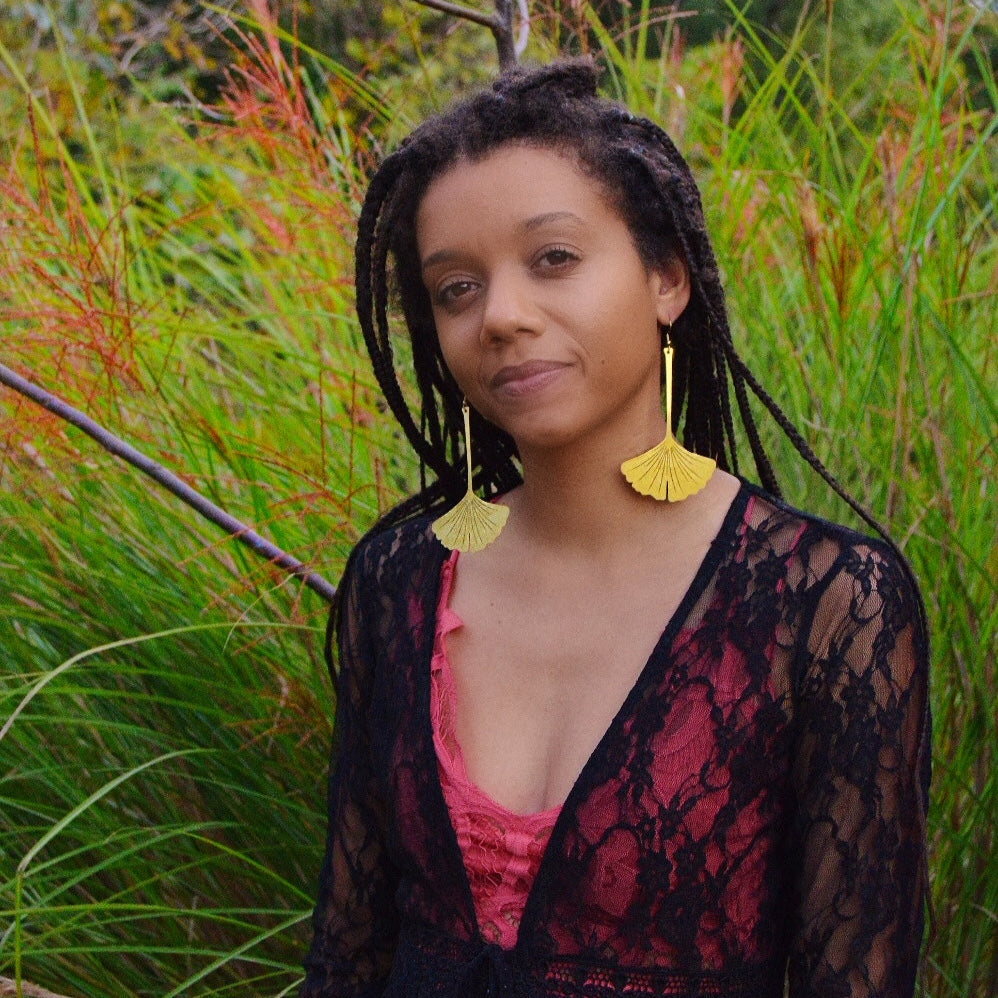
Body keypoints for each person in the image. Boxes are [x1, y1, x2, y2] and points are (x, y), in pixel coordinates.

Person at [301, 59, 930, 998]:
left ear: (667, 276)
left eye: (553, 258)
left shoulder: (829, 606)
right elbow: (345, 961)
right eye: (456, 289)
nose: (502, 317)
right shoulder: (398, 581)